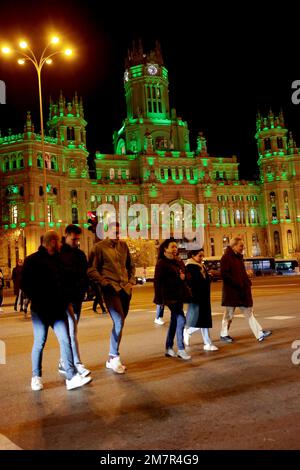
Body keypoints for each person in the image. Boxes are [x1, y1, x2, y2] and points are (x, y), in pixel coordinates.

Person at [21, 230, 92, 391]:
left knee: (65, 340)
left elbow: (67, 281)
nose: (61, 244)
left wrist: (68, 296)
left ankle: (71, 376)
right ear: (52, 242)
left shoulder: (58, 261)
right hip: (40, 310)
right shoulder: (32, 261)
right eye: (59, 242)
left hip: (58, 309)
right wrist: (39, 297)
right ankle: (36, 376)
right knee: (40, 342)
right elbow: (26, 284)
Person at [87, 222, 135, 374]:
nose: (117, 235)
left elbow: (131, 265)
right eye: (115, 232)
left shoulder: (123, 246)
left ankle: (111, 357)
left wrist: (131, 281)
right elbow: (91, 269)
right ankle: (114, 356)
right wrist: (104, 282)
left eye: (119, 232)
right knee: (119, 321)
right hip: (110, 289)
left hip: (125, 290)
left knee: (120, 323)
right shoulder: (99, 247)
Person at [220, 236, 272, 343]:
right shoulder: (226, 258)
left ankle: (259, 333)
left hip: (241, 291)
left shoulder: (238, 257)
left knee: (248, 313)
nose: (242, 248)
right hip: (231, 292)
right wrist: (237, 283)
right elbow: (224, 275)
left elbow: (242, 273)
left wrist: (247, 282)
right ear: (234, 246)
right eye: (241, 246)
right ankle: (224, 334)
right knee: (229, 315)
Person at [59, 224, 91, 378]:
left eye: (78, 239)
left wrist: (84, 290)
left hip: (77, 298)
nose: (76, 241)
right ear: (66, 235)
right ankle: (76, 363)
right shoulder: (58, 253)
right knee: (71, 333)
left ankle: (63, 360)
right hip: (64, 299)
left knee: (70, 332)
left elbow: (85, 274)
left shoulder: (80, 254)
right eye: (73, 238)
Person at [154, 239, 191, 360]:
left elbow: (185, 275)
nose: (175, 249)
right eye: (173, 247)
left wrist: (183, 276)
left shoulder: (177, 261)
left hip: (179, 294)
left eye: (176, 247)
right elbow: (157, 282)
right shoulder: (161, 263)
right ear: (165, 248)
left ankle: (169, 347)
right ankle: (181, 349)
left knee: (174, 321)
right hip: (169, 296)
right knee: (181, 319)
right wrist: (159, 300)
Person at [184, 249, 218, 351]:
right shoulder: (190, 267)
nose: (202, 258)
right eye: (200, 256)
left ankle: (206, 342)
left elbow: (204, 280)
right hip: (197, 297)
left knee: (204, 320)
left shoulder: (200, 266)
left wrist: (208, 277)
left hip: (204, 296)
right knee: (201, 320)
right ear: (193, 256)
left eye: (202, 255)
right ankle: (189, 332)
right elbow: (191, 282)